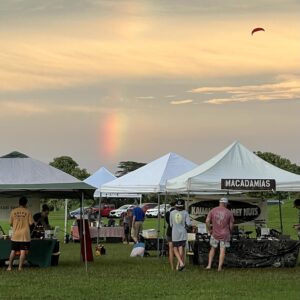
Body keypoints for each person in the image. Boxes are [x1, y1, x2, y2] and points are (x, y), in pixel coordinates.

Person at [205, 197, 234, 271]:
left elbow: (207, 221)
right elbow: (231, 225)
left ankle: (209, 265)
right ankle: (219, 267)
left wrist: (209, 230)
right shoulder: (229, 212)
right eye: (226, 204)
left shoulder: (213, 210)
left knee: (212, 249)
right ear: (225, 203)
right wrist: (231, 231)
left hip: (215, 233)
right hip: (225, 234)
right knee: (222, 250)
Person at [7, 196, 34, 271]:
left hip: (15, 234)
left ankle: (9, 267)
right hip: (24, 235)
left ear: (19, 203)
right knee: (22, 251)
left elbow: (10, 223)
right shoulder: (28, 211)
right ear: (26, 203)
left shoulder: (13, 211)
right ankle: (20, 267)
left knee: (13, 250)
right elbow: (31, 223)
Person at [170, 199, 191, 271]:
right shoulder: (185, 213)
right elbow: (188, 224)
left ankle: (180, 264)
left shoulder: (172, 213)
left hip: (174, 232)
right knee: (181, 248)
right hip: (183, 232)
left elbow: (171, 224)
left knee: (175, 248)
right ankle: (179, 265)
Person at [165, 201, 176, 270]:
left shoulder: (167, 213)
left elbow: (167, 221)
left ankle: (171, 263)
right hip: (176, 232)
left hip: (169, 231)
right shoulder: (177, 213)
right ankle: (179, 263)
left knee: (170, 248)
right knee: (178, 248)